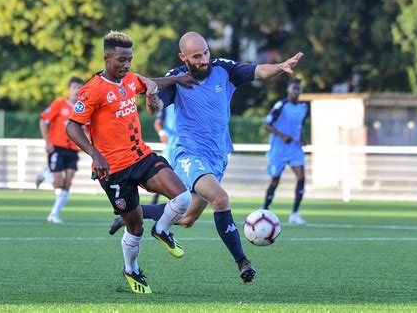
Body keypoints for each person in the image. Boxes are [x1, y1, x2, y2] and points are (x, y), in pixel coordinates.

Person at [110, 31, 303, 284]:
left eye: (206, 53)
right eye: (197, 56)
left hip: (217, 156)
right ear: (184, 57)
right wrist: (151, 97)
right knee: (220, 198)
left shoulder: (224, 69)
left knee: (187, 218)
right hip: (189, 154)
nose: (204, 60)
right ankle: (242, 262)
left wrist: (279, 66)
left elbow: (258, 71)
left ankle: (133, 213)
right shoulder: (176, 78)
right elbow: (156, 107)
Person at [66, 31, 195, 294]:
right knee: (135, 226)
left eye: (130, 59)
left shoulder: (129, 79)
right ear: (107, 57)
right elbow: (72, 127)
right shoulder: (93, 90)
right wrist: (94, 153)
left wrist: (177, 79)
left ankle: (162, 229)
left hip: (141, 157)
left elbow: (150, 82)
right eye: (122, 60)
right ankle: (131, 270)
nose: (126, 65)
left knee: (183, 197)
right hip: (113, 171)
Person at [261, 79, 309, 225]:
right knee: (275, 180)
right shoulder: (281, 105)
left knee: (301, 177)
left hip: (294, 148)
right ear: (288, 90)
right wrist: (282, 136)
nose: (296, 91)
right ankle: (264, 210)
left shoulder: (304, 107)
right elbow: (267, 125)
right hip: (279, 148)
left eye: (298, 89)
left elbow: (299, 125)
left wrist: (302, 139)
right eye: (293, 89)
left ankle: (294, 213)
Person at [40, 76, 84, 223]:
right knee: (58, 183)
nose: (77, 90)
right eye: (74, 87)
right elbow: (43, 120)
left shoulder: (82, 108)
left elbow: (86, 129)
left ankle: (54, 214)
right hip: (57, 147)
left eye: (79, 88)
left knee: (68, 183)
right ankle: (46, 173)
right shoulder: (59, 104)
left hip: (73, 149)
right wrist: (47, 142)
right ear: (69, 89)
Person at [150, 104, 178, 205]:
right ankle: (155, 200)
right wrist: (162, 133)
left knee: (179, 178)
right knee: (163, 175)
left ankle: (176, 203)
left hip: (184, 148)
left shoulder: (188, 103)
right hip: (170, 148)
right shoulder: (168, 105)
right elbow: (158, 123)